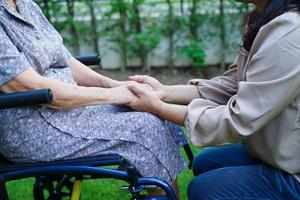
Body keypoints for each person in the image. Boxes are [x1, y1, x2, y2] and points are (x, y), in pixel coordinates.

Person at [0, 0, 187, 193]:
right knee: (146, 126)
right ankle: (161, 191)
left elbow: (66, 61)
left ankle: (161, 183)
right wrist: (114, 95)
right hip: (35, 127)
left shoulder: (26, 4)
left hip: (70, 110)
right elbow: (28, 86)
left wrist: (119, 86)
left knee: (150, 105)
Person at [127, 0, 300, 199]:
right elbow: (234, 85)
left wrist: (158, 107)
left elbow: (239, 118)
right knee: (205, 162)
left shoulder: (289, 32)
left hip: (294, 170)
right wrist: (164, 91)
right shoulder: (267, 18)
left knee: (204, 189)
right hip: (279, 151)